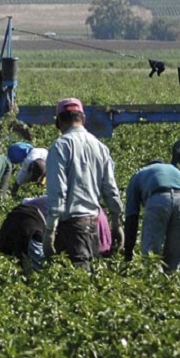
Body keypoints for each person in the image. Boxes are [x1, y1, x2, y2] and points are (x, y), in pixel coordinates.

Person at [44, 97, 124, 269]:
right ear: (83, 119)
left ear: (59, 122)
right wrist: (116, 223)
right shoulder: (100, 146)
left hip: (71, 227)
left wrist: (50, 231)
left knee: (75, 283)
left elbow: (58, 192)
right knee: (88, 278)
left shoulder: (60, 146)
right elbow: (110, 189)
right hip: (93, 225)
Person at [4, 195, 114, 271]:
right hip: (32, 222)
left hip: (26, 220)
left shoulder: (73, 205)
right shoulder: (89, 210)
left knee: (31, 263)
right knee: (38, 266)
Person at [122, 162, 180, 273]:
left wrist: (128, 253)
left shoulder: (138, 175)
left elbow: (132, 216)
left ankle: (153, 280)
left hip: (158, 198)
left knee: (150, 253)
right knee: (177, 249)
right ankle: (170, 281)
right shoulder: (175, 170)